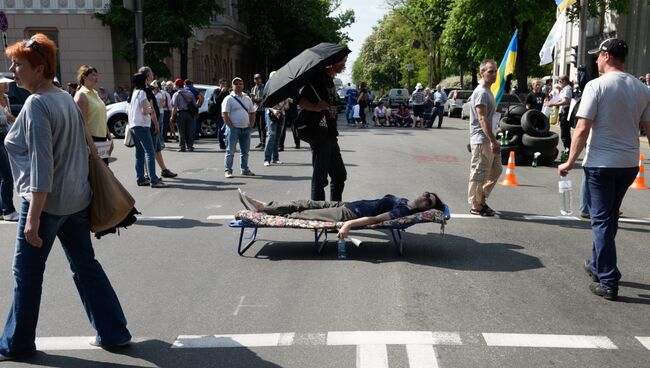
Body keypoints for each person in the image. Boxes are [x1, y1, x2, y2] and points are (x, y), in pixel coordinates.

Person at [0, 34, 132, 362]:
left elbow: (42, 164)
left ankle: (16, 343)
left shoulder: (38, 103)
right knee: (86, 266)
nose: (12, 69)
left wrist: (32, 217)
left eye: (19, 64)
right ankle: (114, 331)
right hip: (78, 200)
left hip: (46, 204)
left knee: (27, 275)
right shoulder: (65, 98)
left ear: (40, 68)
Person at [558, 38, 650, 301]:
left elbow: (582, 129)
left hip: (600, 164)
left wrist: (568, 161)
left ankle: (609, 280)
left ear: (607, 56)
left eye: (598, 55)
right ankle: (597, 265)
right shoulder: (642, 88)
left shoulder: (595, 86)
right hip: (629, 164)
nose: (595, 60)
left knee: (600, 220)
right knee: (609, 217)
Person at [239, 189, 445, 239]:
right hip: (349, 204)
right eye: (427, 194)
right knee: (303, 202)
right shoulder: (405, 201)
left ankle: (264, 215)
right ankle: (265, 207)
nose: (425, 197)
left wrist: (348, 225)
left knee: (306, 214)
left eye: (429, 201)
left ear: (425, 209)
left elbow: (374, 219)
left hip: (348, 214)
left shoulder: (402, 211)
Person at [299, 55, 348, 201]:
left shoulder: (329, 79)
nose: (344, 63)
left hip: (331, 133)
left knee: (339, 175)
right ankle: (317, 212)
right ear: (332, 62)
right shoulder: (316, 78)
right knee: (320, 179)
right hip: (319, 134)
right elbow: (301, 101)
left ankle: (335, 208)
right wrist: (315, 107)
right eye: (342, 60)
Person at [468, 59, 502, 217]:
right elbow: (482, 119)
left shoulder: (488, 90)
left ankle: (480, 199)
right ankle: (476, 205)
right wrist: (493, 140)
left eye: (495, 71)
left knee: (496, 170)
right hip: (482, 140)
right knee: (479, 173)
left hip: (489, 138)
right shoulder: (481, 92)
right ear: (482, 73)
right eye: (490, 71)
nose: (494, 74)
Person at [128, 72, 166, 188]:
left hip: (133, 125)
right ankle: (153, 180)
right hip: (143, 126)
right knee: (150, 152)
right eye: (146, 80)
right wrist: (151, 109)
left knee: (139, 154)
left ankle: (140, 178)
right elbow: (145, 110)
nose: (147, 82)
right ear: (143, 81)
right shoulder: (142, 93)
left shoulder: (133, 93)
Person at [139, 66, 176, 178]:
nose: (153, 75)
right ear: (147, 76)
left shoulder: (147, 89)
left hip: (151, 122)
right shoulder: (143, 90)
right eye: (151, 73)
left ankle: (163, 170)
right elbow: (151, 109)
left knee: (156, 147)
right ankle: (148, 174)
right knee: (149, 150)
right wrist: (156, 124)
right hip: (148, 123)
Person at [73, 65, 113, 165]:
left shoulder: (95, 93)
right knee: (95, 175)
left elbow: (101, 118)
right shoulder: (81, 95)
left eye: (97, 75)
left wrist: (109, 138)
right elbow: (83, 123)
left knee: (103, 173)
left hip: (102, 140)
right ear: (84, 77)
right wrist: (91, 145)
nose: (96, 78)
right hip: (91, 140)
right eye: (93, 75)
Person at [222, 77, 256, 178]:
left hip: (246, 128)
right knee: (230, 151)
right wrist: (231, 126)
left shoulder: (247, 98)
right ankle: (228, 170)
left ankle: (244, 169)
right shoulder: (228, 98)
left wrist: (251, 124)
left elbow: (252, 112)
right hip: (234, 129)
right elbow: (224, 114)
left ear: (243, 85)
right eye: (235, 84)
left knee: (245, 151)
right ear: (232, 86)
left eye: (240, 83)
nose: (238, 85)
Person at [0, 76, 18, 221]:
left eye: (6, 82)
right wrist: (7, 117)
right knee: (7, 175)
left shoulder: (6, 97)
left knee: (4, 175)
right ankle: (8, 210)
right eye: (3, 83)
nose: (6, 85)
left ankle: (2, 209)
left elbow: (9, 118)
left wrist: (9, 118)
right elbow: (6, 118)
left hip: (6, 136)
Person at [547, 75, 573, 150]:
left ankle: (567, 152)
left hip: (566, 112)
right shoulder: (564, 89)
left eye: (560, 81)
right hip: (563, 112)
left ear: (565, 81)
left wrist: (553, 104)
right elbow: (561, 100)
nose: (559, 83)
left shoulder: (567, 89)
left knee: (565, 134)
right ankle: (567, 151)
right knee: (565, 134)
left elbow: (566, 101)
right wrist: (552, 102)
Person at [170, 78, 196, 152]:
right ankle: (190, 146)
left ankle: (182, 147)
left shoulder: (176, 94)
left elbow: (174, 107)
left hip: (180, 113)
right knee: (189, 130)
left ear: (177, 85)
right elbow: (194, 104)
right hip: (189, 113)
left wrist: (172, 117)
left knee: (181, 131)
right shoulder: (190, 93)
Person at [264, 97, 288, 166]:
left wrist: (286, 102)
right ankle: (267, 159)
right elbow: (266, 105)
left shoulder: (285, 93)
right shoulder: (271, 91)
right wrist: (274, 110)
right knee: (271, 136)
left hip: (281, 115)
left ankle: (275, 158)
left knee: (278, 137)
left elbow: (287, 107)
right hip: (271, 115)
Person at [207, 78, 230, 149]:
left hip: (227, 112)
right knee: (221, 128)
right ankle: (221, 143)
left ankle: (227, 142)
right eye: (222, 83)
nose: (224, 85)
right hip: (219, 113)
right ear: (219, 84)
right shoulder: (216, 91)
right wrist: (221, 92)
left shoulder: (227, 92)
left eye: (225, 84)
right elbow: (216, 100)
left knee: (228, 128)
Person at [251, 73, 265, 148]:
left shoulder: (264, 87)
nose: (257, 80)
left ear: (261, 79)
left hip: (262, 109)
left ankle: (264, 142)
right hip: (256, 109)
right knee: (258, 127)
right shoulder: (253, 88)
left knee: (262, 126)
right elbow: (252, 100)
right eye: (256, 79)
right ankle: (261, 141)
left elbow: (262, 99)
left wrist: (255, 98)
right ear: (254, 80)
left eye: (258, 78)